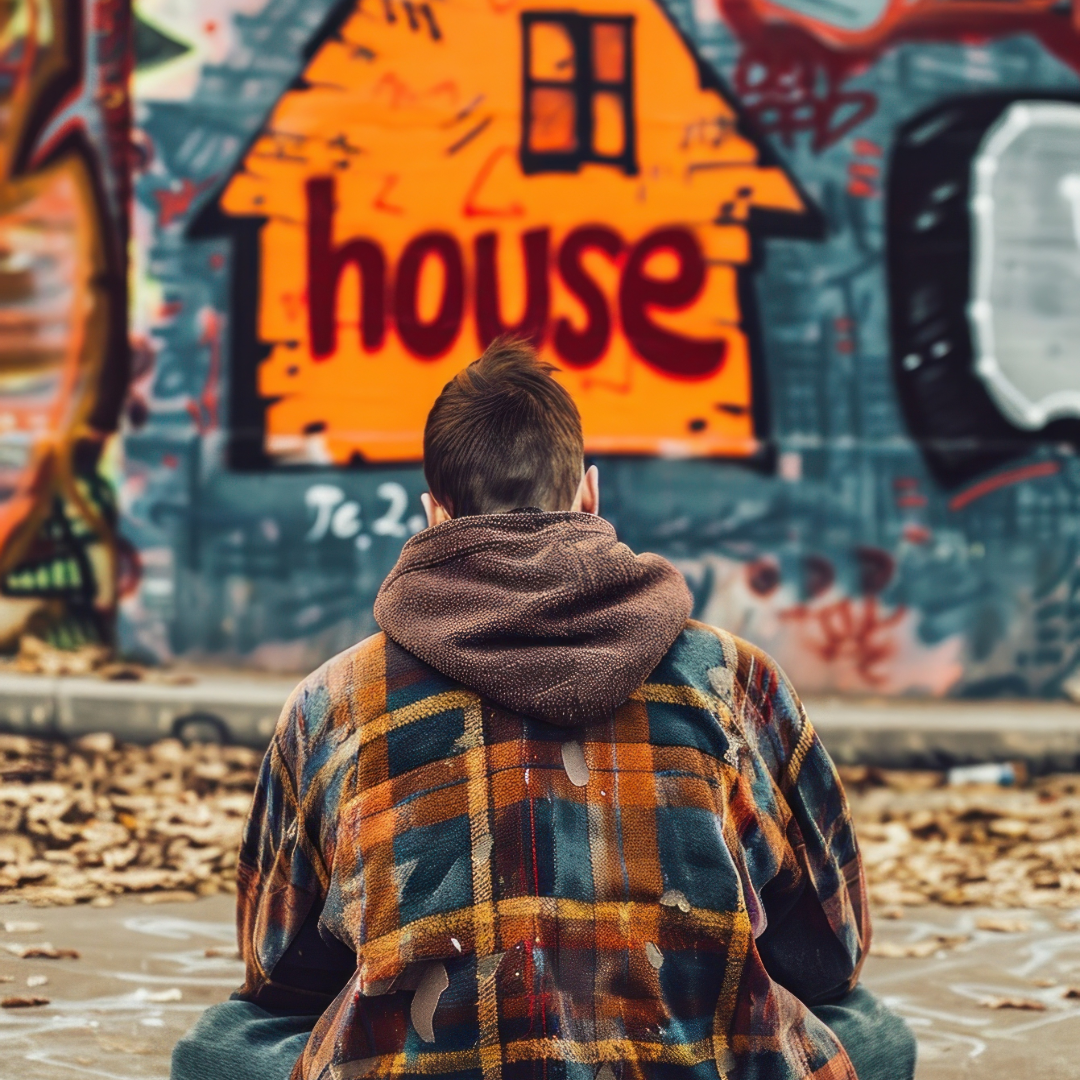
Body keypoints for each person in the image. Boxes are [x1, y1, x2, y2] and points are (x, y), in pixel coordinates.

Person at [173, 339, 916, 1080]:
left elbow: (278, 972)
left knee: (220, 1047)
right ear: (589, 494)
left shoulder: (330, 702)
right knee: (870, 1034)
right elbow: (829, 953)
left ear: (434, 515)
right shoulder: (735, 679)